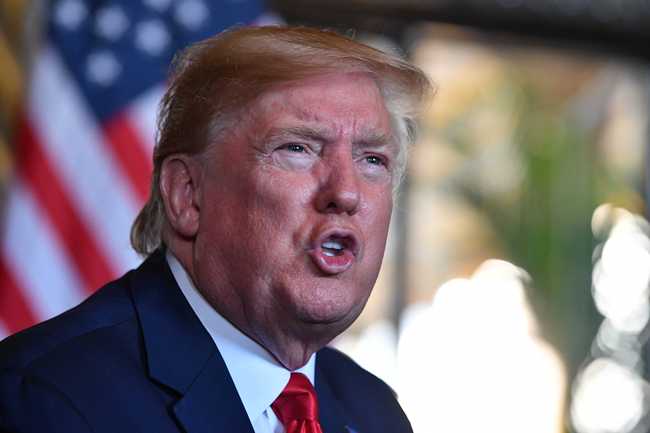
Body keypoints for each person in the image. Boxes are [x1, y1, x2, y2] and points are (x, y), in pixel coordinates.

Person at [0, 26, 431, 433]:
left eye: (372, 159)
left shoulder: (373, 410)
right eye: (297, 148)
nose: (346, 193)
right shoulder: (46, 398)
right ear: (187, 194)